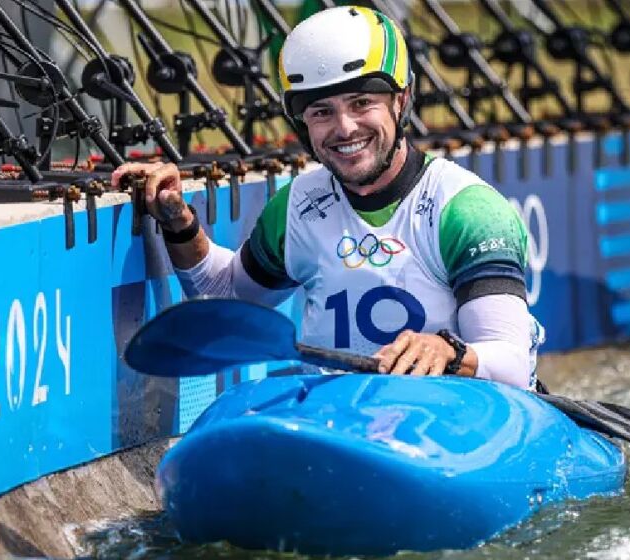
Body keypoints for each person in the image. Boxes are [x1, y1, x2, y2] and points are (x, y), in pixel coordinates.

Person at [111, 6, 544, 389]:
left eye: (361, 103)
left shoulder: (466, 211)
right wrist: (177, 219)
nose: (345, 128)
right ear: (302, 124)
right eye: (321, 112)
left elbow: (510, 366)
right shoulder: (299, 205)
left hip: (451, 421)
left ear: (401, 101)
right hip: (340, 419)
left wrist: (449, 351)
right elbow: (225, 295)